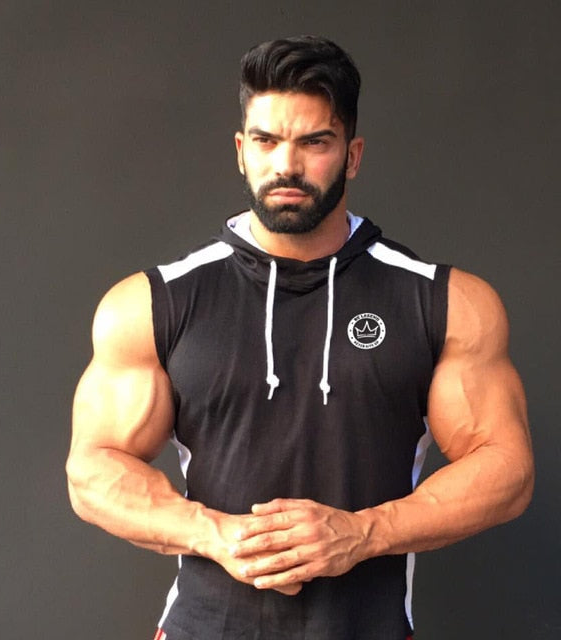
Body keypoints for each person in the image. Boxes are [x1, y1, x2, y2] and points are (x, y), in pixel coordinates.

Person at [66, 36, 534, 640]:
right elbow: (92, 470)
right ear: (241, 152)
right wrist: (217, 534)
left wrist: (361, 534)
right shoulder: (154, 302)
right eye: (266, 141)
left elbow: (507, 469)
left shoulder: (444, 302)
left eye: (315, 142)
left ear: (352, 155)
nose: (286, 165)